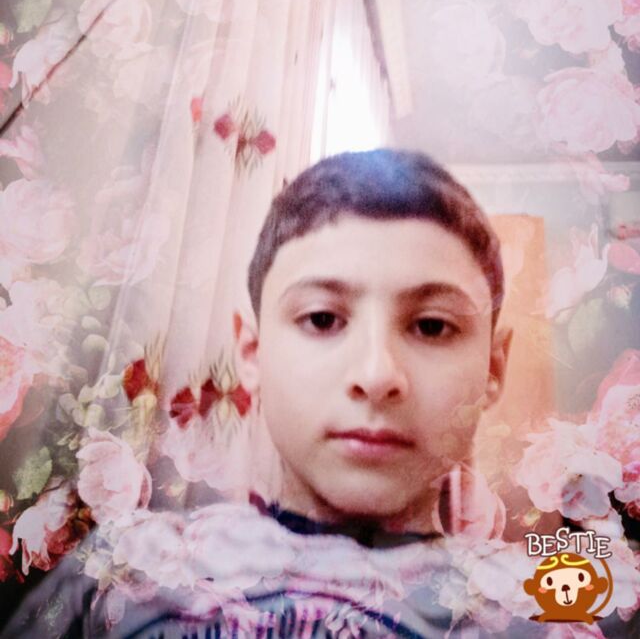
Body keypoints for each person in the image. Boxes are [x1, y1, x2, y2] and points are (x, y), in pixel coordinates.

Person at [3, 149, 634, 637]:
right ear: (253, 353)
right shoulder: (122, 575)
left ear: (493, 367)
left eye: (432, 326)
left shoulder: (539, 615)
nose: (377, 374)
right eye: (323, 319)